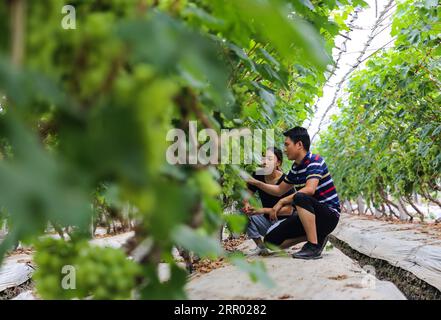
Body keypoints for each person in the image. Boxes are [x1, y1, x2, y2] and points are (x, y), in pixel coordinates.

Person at [247, 127, 340, 260]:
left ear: (299, 145)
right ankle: (318, 236)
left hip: (328, 215)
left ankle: (313, 246)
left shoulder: (315, 161)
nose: (284, 149)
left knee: (300, 196)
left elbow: (309, 190)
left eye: (287, 144)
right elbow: (279, 190)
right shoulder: (296, 168)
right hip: (308, 216)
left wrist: (282, 201)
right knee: (270, 241)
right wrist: (257, 183)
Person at [243, 147, 295, 255]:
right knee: (242, 214)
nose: (265, 161)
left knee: (272, 241)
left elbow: (289, 210)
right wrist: (247, 204)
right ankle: (261, 247)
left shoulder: (286, 180)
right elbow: (246, 196)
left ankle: (279, 242)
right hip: (266, 221)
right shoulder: (258, 175)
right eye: (263, 158)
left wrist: (262, 210)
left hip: (283, 222)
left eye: (270, 158)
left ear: (278, 163)